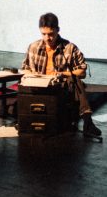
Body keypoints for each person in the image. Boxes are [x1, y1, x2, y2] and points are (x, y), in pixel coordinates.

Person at [21, 12, 102, 140]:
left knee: (74, 79)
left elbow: (82, 72)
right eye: (44, 34)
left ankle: (88, 122)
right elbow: (24, 69)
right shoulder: (33, 47)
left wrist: (62, 74)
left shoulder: (69, 48)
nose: (47, 38)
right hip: (39, 86)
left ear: (58, 30)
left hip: (61, 87)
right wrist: (32, 75)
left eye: (51, 34)